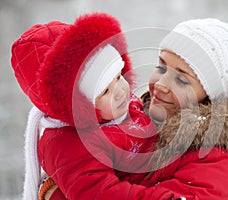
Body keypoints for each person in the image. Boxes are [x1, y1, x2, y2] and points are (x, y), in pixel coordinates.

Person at [30, 18, 228, 199]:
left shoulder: (221, 161)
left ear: (214, 98)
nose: (161, 84)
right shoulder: (141, 121)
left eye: (183, 79)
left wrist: (59, 194)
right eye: (161, 67)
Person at [11, 13, 158, 200]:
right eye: (105, 91)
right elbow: (102, 194)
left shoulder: (116, 108)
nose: (121, 91)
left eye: (119, 76)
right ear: (80, 104)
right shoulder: (67, 146)